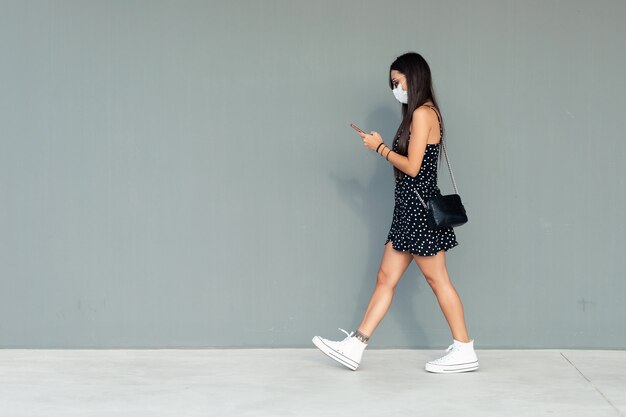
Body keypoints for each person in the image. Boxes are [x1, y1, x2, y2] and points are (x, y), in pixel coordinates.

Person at [312, 52, 478, 373]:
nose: (395, 88)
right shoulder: (420, 113)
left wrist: (380, 149)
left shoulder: (422, 114)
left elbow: (414, 168)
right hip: (407, 210)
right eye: (392, 83)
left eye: (397, 82)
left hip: (419, 210)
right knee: (385, 278)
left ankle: (464, 348)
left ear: (413, 78)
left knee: (437, 279)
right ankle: (355, 345)